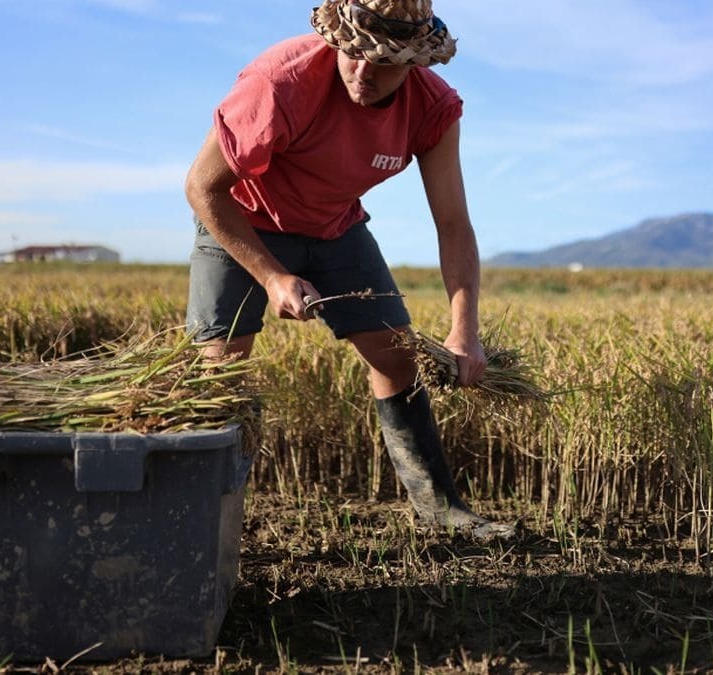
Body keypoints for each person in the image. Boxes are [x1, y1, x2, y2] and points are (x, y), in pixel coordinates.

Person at [184, 0, 513, 539]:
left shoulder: (432, 108)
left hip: (336, 228)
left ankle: (440, 509)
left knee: (398, 359)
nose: (362, 71)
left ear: (415, 64)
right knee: (219, 376)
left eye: (382, 61)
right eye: (352, 52)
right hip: (243, 221)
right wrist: (271, 276)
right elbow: (202, 187)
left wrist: (464, 332)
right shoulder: (280, 82)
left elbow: (453, 224)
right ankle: (204, 524)